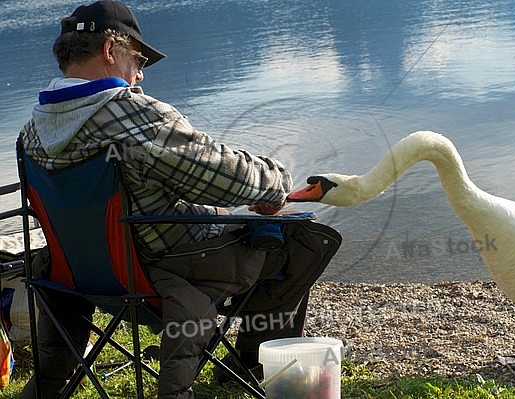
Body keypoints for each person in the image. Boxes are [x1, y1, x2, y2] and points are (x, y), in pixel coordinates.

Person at [18, 1, 341, 398]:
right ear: (109, 51)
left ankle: (245, 362)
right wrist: (276, 183)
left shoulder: (31, 132)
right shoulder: (130, 116)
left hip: (83, 275)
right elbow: (221, 175)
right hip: (164, 270)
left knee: (235, 218)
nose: (139, 76)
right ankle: (253, 364)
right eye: (138, 61)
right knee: (297, 239)